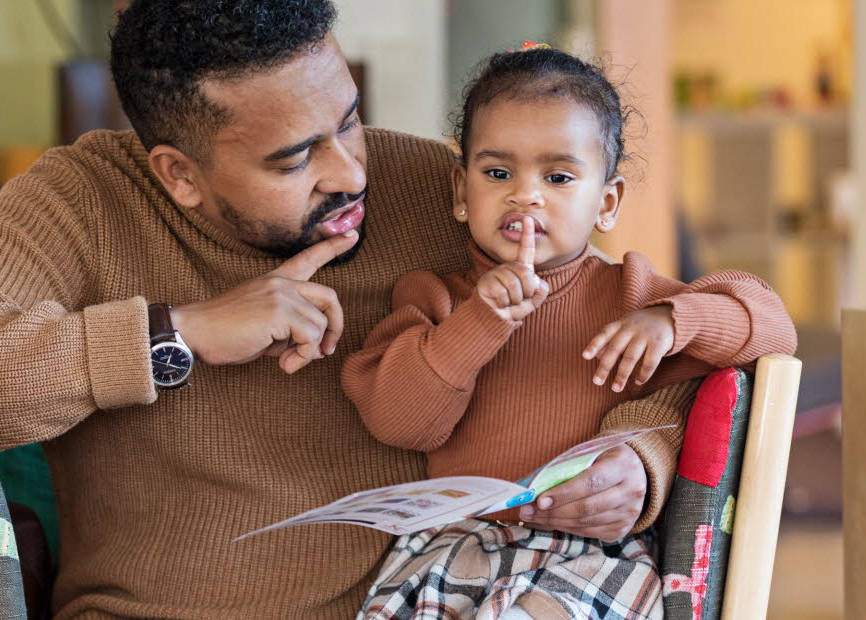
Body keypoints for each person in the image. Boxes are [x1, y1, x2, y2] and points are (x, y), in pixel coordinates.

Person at [341, 47, 797, 619]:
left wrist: (673, 321)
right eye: (497, 172)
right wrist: (480, 324)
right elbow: (400, 421)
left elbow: (774, 330)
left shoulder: (630, 294)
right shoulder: (431, 297)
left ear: (606, 203)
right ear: (461, 192)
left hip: (594, 555)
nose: (525, 194)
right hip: (455, 544)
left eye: (558, 177)